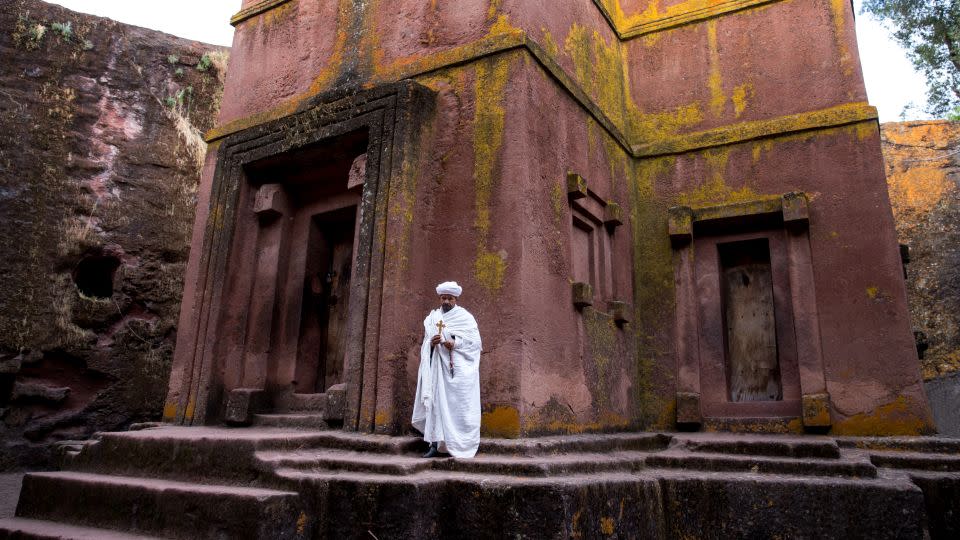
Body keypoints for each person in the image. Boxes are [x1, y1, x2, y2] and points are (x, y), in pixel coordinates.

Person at [411, 281, 482, 458]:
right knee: (436, 406)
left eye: (450, 298)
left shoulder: (466, 318)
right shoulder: (432, 318)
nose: (446, 301)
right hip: (437, 370)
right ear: (440, 298)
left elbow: (475, 344)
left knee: (457, 407)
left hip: (458, 372)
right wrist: (432, 344)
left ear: (456, 299)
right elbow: (426, 344)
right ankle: (435, 445)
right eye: (443, 298)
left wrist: (455, 343)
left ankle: (458, 444)